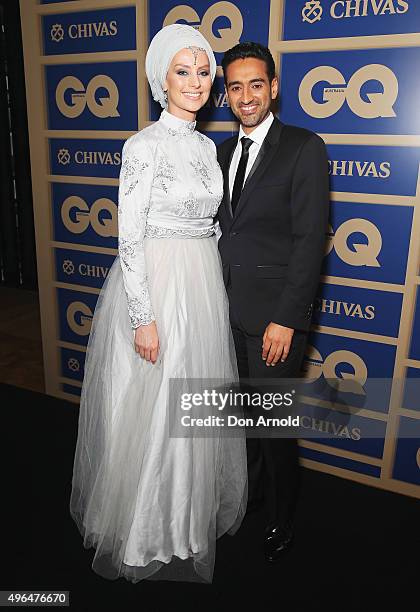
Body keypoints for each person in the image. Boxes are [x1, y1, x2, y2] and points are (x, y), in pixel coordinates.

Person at [69, 24, 247, 584]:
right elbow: (130, 236)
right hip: (157, 284)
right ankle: (145, 528)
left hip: (201, 285)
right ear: (160, 79)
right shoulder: (142, 145)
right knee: (154, 408)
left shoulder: (205, 148)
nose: (195, 82)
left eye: (202, 72)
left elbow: (211, 228)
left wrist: (217, 289)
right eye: (182, 71)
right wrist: (142, 317)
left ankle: (185, 522)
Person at [217, 42, 329, 563]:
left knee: (274, 427)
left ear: (274, 87)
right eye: (235, 87)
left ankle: (284, 516)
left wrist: (286, 319)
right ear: (226, 92)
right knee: (241, 423)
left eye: (255, 85)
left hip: (275, 322)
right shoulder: (217, 152)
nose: (245, 97)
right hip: (225, 314)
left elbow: (310, 241)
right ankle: (251, 498)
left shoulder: (304, 147)